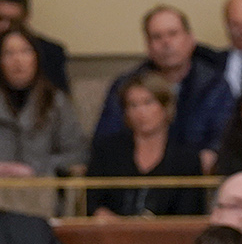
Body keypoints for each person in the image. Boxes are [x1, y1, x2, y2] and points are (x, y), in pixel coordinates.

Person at [0, 23, 87, 186]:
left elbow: (77, 154)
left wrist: (35, 169)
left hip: (40, 192)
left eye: (25, 51)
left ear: (36, 58)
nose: (18, 60)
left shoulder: (57, 101)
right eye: (9, 53)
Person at [92, 5, 236, 157]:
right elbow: (105, 140)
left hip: (197, 172)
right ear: (148, 45)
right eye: (157, 37)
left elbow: (226, 137)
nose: (166, 43)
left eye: (173, 34)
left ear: (190, 39)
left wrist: (211, 155)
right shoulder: (127, 85)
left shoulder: (214, 85)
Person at [85, 72, 206, 219]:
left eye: (148, 102)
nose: (140, 112)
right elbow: (93, 203)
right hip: (113, 235)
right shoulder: (106, 151)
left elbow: (190, 214)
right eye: (133, 105)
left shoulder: (187, 158)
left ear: (165, 106)